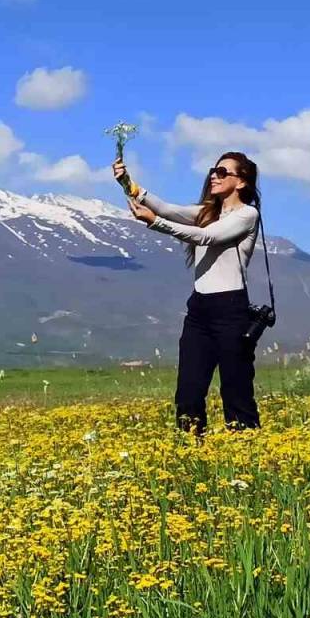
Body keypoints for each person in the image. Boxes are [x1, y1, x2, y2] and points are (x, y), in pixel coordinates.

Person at [112, 152, 262, 436]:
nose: (213, 176)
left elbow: (208, 237)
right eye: (213, 171)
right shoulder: (207, 213)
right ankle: (192, 457)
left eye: (222, 172)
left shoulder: (247, 215)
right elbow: (167, 208)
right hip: (199, 310)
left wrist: (155, 223)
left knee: (236, 391)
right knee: (188, 393)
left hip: (231, 309)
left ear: (241, 182)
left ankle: (248, 455)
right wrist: (127, 183)